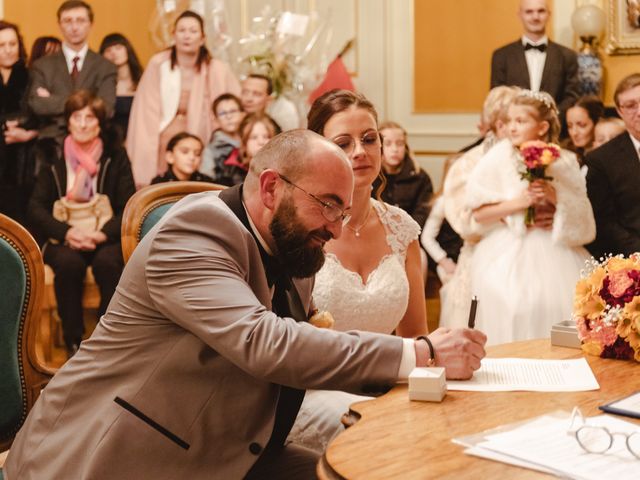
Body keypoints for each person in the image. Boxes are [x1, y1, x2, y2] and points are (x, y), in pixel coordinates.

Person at [5, 129, 486, 479]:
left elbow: (308, 347)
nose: (337, 228)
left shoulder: (295, 244)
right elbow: (265, 343)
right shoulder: (194, 231)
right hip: (117, 455)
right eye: (328, 205)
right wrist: (418, 353)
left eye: (344, 210)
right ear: (272, 187)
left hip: (231, 445)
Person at [288, 90, 445, 452]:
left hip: (386, 385)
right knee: (380, 434)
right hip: (311, 391)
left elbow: (416, 337)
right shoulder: (300, 230)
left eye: (369, 139)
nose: (360, 151)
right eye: (343, 142)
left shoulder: (401, 229)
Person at [467, 90, 595, 346]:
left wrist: (556, 200)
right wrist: (518, 205)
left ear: (542, 127)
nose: (512, 127)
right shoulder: (497, 158)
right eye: (510, 120)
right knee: (513, 303)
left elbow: (583, 213)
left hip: (556, 248)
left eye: (521, 121)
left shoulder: (565, 160)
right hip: (508, 249)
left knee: (557, 303)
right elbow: (479, 213)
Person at [27, 90, 135, 356]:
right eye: (77, 117)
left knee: (109, 262)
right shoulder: (52, 157)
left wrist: (100, 235)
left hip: (104, 236)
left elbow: (129, 206)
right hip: (64, 237)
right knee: (68, 263)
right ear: (69, 121)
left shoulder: (116, 156)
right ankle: (73, 341)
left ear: (99, 124)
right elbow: (36, 207)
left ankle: (105, 340)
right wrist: (68, 232)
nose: (84, 123)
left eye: (90, 117)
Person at [126, 10, 240, 187]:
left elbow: (233, 106)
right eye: (182, 30)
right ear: (173, 35)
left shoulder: (217, 69)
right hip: (163, 134)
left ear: (202, 38)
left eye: (193, 31)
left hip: (202, 134)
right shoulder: (158, 63)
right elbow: (145, 110)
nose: (187, 36)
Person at [441, 86, 521, 329]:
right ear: (500, 125)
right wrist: (511, 215)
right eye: (517, 119)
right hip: (481, 261)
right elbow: (464, 223)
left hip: (523, 262)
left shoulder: (534, 159)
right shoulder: (468, 164)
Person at [28, 1, 117, 143]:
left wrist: (55, 101)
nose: (74, 27)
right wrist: (88, 103)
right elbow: (37, 105)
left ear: (91, 24)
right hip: (50, 145)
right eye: (68, 21)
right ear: (59, 25)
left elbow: (107, 109)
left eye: (80, 20)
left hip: (93, 144)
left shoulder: (105, 67)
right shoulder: (42, 66)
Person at [490, 0, 579, 118]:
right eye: (529, 12)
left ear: (549, 14)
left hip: (556, 130)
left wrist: (550, 117)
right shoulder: (501, 56)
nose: (535, 17)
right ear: (520, 15)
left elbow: (572, 97)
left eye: (541, 11)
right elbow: (498, 97)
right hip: (514, 129)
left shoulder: (568, 55)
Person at [585, 73, 640, 258]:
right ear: (619, 111)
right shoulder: (601, 159)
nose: (639, 111)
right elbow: (604, 221)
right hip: (630, 258)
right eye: (631, 106)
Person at [0, 21, 38, 224]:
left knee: (21, 223)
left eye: (12, 44)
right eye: (1, 45)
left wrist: (28, 133)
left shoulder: (32, 76)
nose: (7, 50)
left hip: (25, 163)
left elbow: (41, 118)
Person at [373, 120, 432, 229]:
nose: (395, 149)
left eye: (400, 144)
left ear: (406, 147)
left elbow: (422, 214)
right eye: (388, 144)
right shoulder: (371, 176)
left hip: (412, 234)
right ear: (379, 146)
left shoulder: (420, 177)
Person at [420, 156, 462, 285]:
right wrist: (444, 261)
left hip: (465, 253)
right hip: (446, 254)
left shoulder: (473, 200)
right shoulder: (443, 202)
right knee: (453, 283)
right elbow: (427, 238)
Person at [212, 111, 279, 187]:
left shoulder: (282, 169)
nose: (261, 142)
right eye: (254, 137)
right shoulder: (228, 170)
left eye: (266, 137)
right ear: (244, 143)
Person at [99, 32, 143, 140]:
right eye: (108, 50)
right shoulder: (100, 85)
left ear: (127, 50)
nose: (113, 53)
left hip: (139, 137)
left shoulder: (143, 80)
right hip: (110, 139)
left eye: (118, 48)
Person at [200, 92, 244, 178]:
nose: (229, 117)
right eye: (222, 113)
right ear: (216, 119)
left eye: (233, 111)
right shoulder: (211, 150)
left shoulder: (253, 140)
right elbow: (206, 181)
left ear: (242, 114)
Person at [564, 95, 604, 166]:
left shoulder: (606, 154)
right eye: (570, 126)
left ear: (597, 122)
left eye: (581, 125)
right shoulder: (565, 153)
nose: (574, 133)